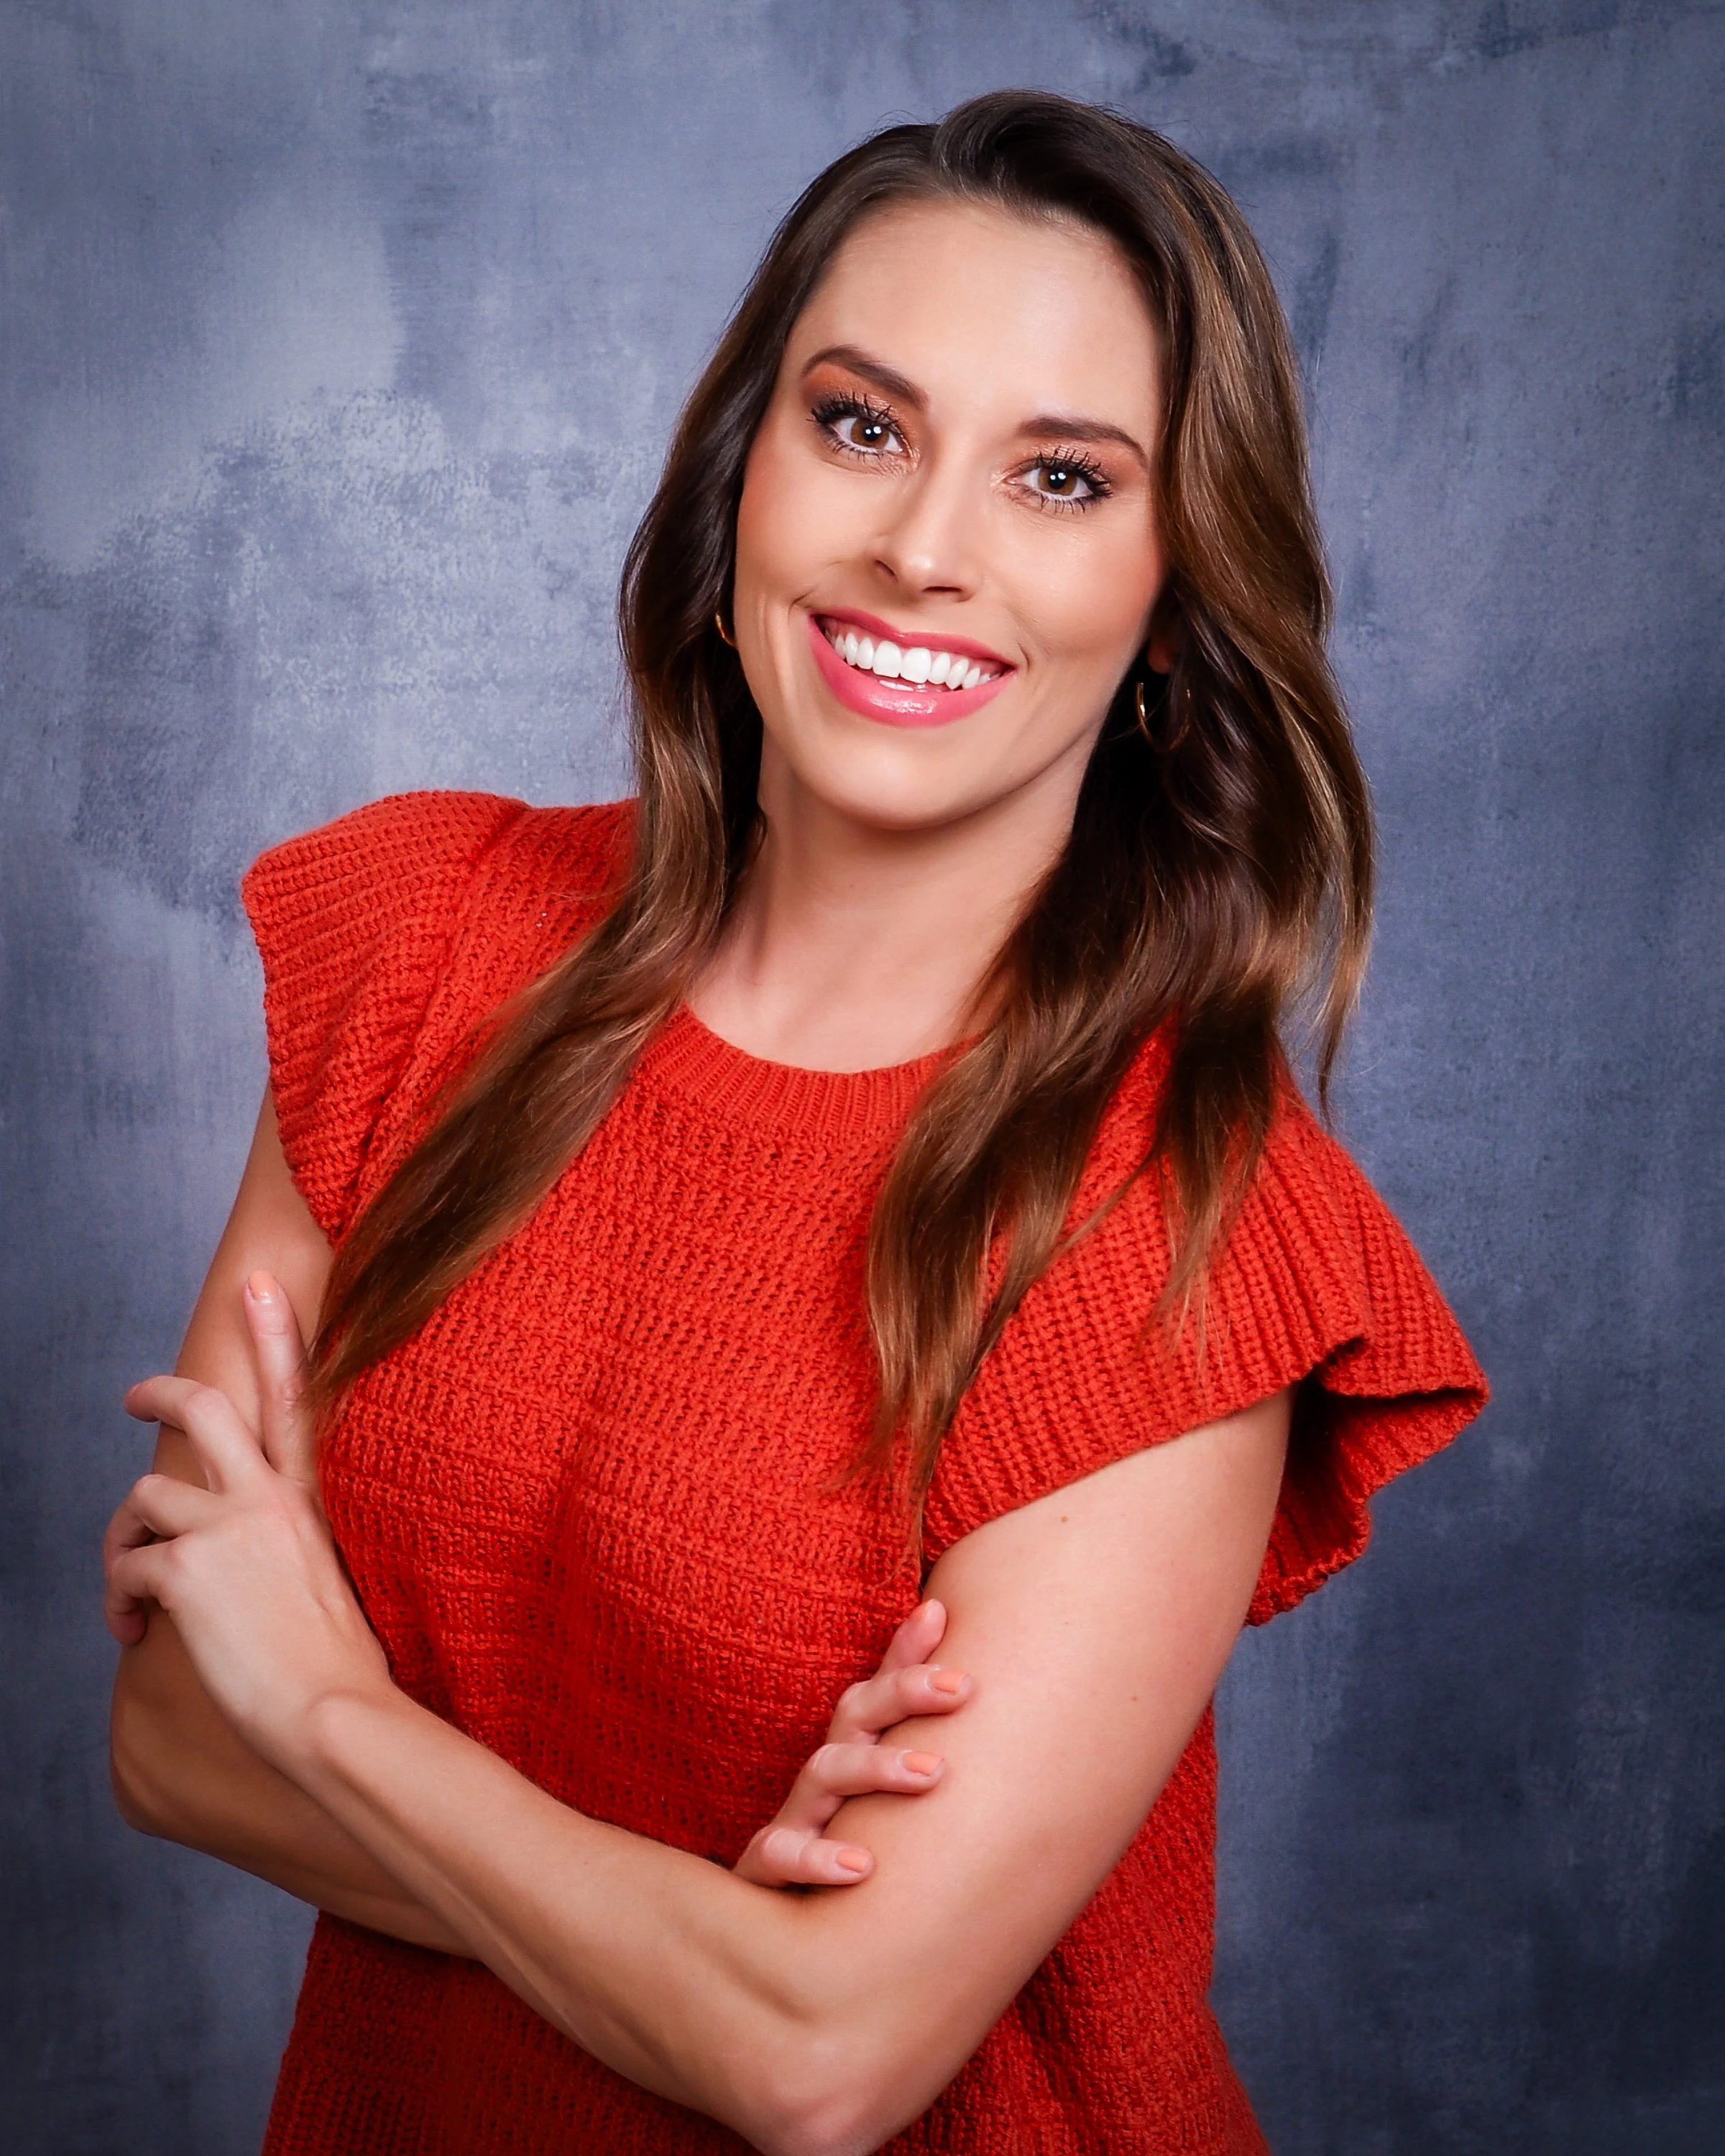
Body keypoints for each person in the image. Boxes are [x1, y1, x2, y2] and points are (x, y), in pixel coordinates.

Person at [102, 91, 1486, 2156]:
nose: (925, 546)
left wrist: (330, 1709)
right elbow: (166, 1733)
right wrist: (706, 1937)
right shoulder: (418, 948)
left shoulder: (1188, 1217)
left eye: (1060, 477)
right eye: (861, 425)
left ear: (1172, 602)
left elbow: (824, 2066)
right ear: (742, 468)